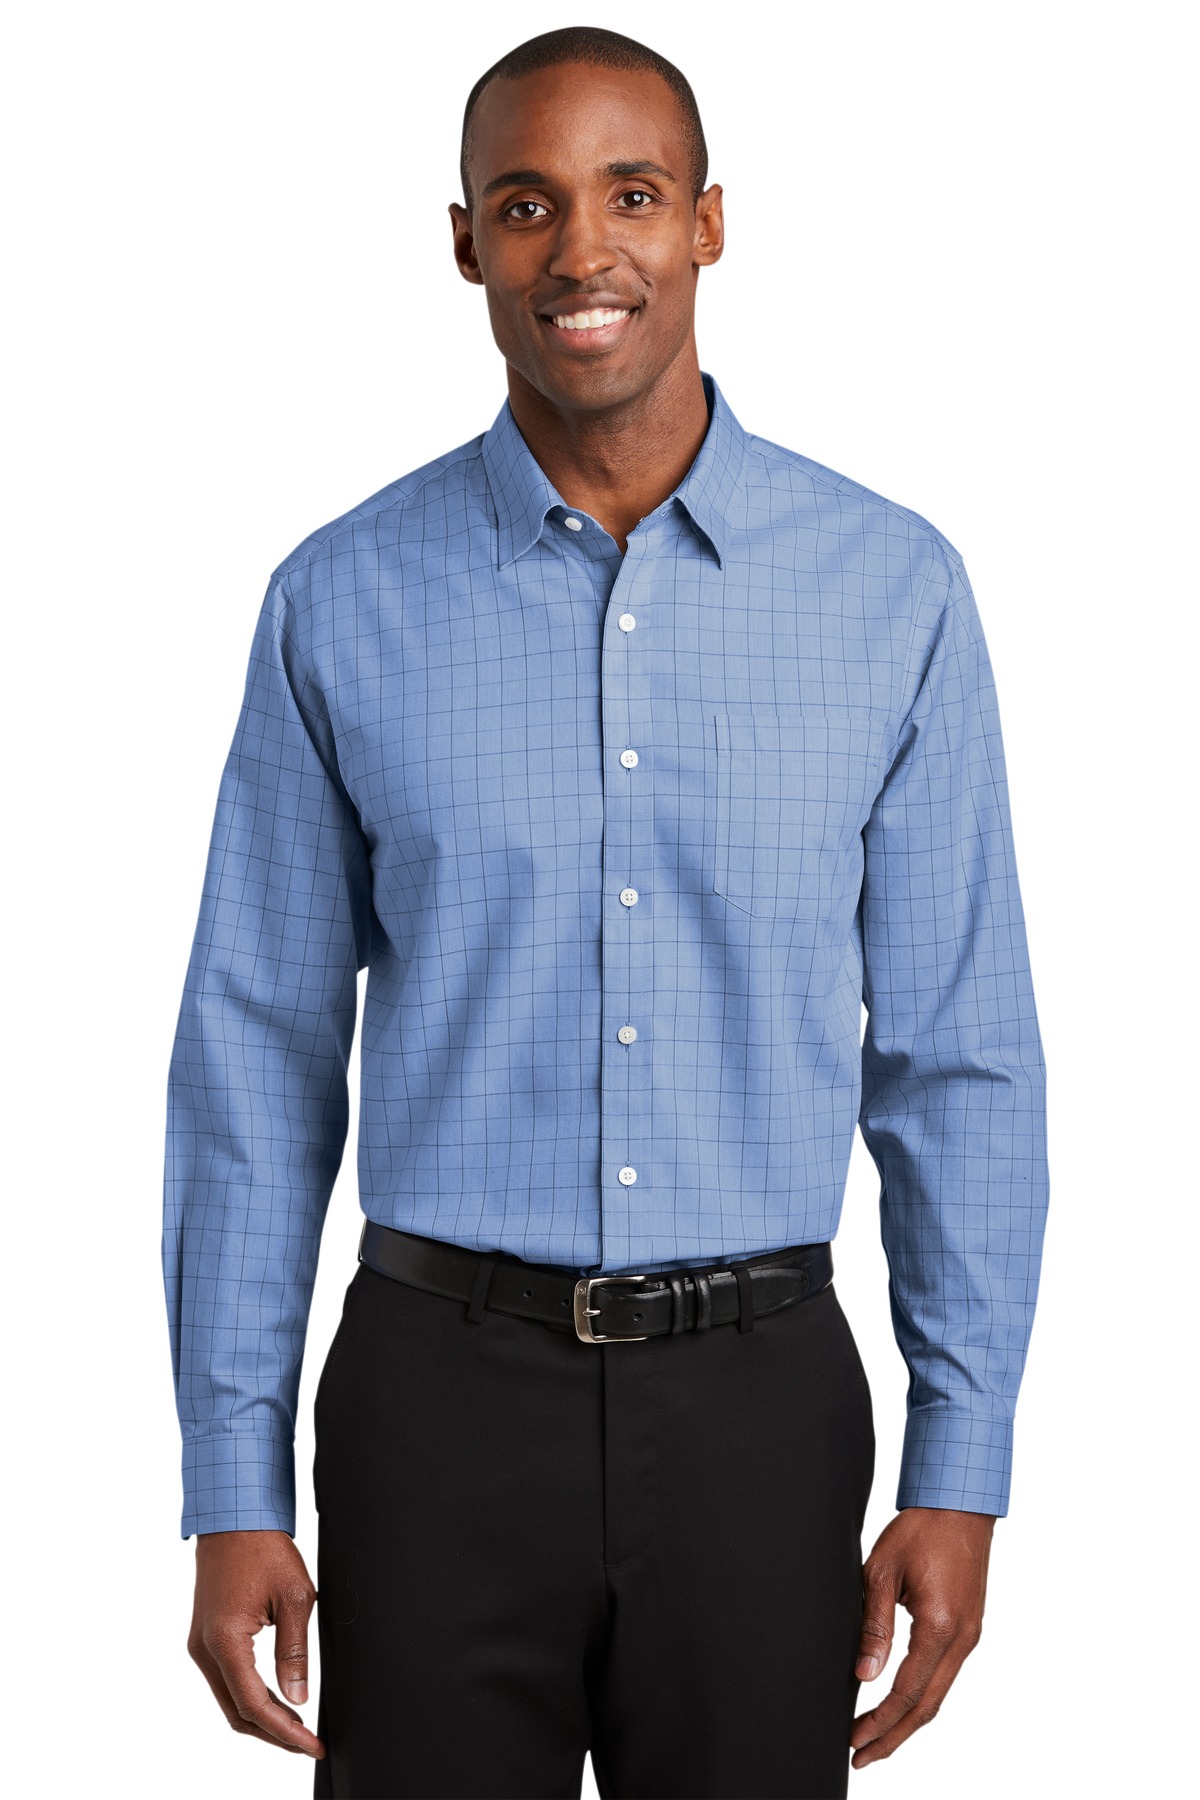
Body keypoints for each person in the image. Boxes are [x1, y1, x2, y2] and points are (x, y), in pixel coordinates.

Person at [162, 25, 1050, 1800]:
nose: (584, 251)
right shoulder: (339, 599)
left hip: (762, 1411)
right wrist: (230, 1482)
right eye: (527, 205)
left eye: (632, 195)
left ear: (709, 222)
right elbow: (255, 1061)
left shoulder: (895, 592)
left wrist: (960, 1466)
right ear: (465, 243)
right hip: (432, 1408)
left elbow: (959, 1056)